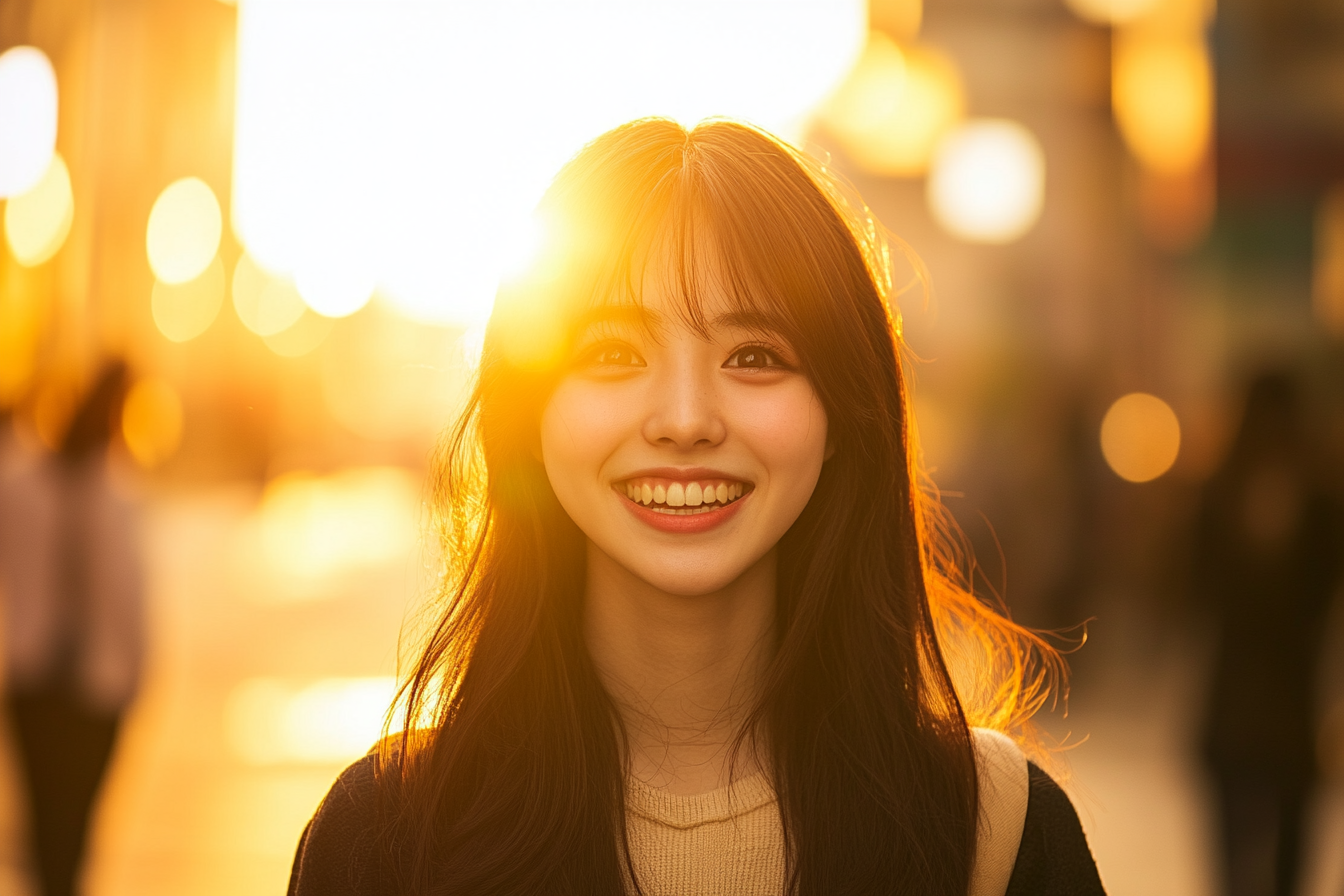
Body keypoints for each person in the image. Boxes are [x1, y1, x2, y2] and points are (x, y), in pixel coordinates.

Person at [287, 118, 1105, 895]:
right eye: (611, 352)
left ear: (842, 420)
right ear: (528, 418)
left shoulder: (992, 836)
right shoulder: (386, 840)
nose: (684, 420)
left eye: (755, 356)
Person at [1193, 371, 1342, 896]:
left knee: (1283, 863)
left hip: (1284, 714)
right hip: (1240, 713)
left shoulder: (1322, 505)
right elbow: (1195, 587)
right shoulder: (1219, 495)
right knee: (1236, 864)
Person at [0, 363, 146, 896]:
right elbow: (132, 600)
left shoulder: (29, 483)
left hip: (52, 679)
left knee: (51, 824)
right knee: (67, 822)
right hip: (65, 683)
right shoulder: (107, 494)